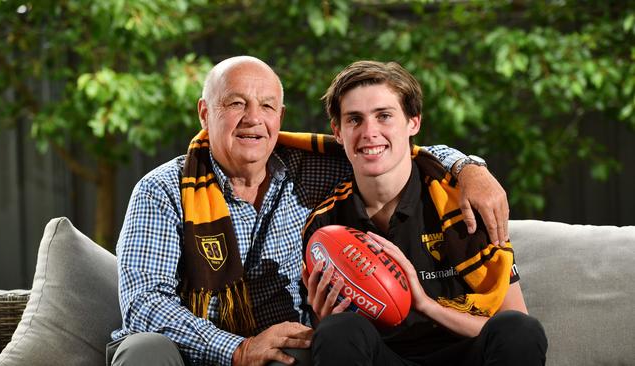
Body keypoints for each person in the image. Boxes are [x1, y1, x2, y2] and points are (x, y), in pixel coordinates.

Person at [107, 55, 512, 366]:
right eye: (235, 103)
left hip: (282, 350)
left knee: (317, 343)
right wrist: (239, 349)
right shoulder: (162, 189)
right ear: (204, 112)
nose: (253, 118)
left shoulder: (309, 170)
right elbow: (144, 304)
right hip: (191, 353)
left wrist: (469, 168)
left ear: (280, 118)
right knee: (143, 351)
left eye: (267, 106)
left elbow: (392, 150)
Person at [302, 60, 547, 365]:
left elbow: (510, 324)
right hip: (386, 358)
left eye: (384, 116)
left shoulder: (466, 202)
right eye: (355, 119)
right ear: (337, 131)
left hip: (464, 355)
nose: (369, 132)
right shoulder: (324, 225)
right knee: (337, 329)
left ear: (413, 123)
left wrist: (423, 303)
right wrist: (323, 319)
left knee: (519, 329)